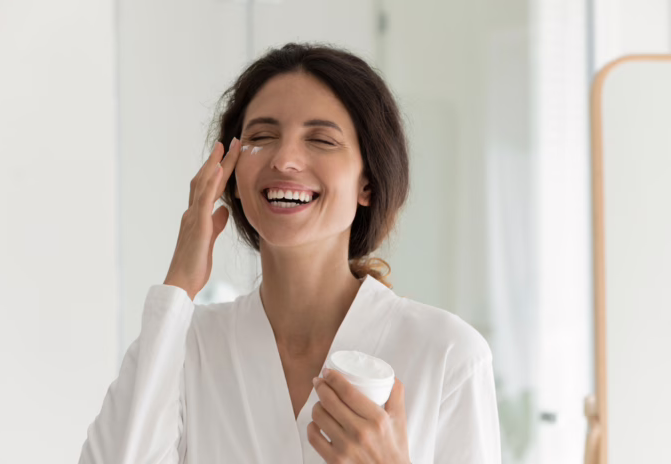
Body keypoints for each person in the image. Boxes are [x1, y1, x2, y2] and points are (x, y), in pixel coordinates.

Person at [78, 42, 501, 464]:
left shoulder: (447, 355)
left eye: (321, 139)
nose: (285, 160)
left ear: (368, 183)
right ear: (231, 176)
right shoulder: (187, 347)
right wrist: (179, 285)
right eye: (261, 137)